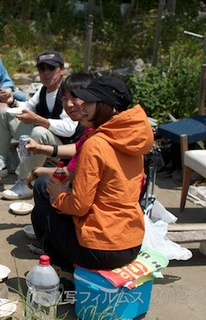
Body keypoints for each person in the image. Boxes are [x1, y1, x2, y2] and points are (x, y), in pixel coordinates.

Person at [45, 76, 154, 271]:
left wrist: (58, 196)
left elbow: (79, 206)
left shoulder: (96, 143)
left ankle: (66, 273)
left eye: (89, 102)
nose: (83, 107)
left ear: (108, 106)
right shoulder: (131, 138)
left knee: (44, 212)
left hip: (100, 250)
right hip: (132, 243)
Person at [0, 50, 83, 200]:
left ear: (62, 70)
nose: (46, 73)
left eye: (51, 68)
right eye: (42, 69)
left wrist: (38, 120)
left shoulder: (68, 93)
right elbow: (28, 107)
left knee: (39, 131)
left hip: (61, 147)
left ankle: (26, 182)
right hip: (43, 139)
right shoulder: (43, 90)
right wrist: (11, 101)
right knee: (6, 113)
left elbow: (70, 129)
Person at [26, 73, 93, 254]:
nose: (69, 104)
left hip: (95, 225)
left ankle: (56, 243)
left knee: (43, 185)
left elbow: (73, 171)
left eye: (74, 98)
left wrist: (39, 170)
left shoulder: (96, 133)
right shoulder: (89, 124)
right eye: (64, 99)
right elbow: (76, 149)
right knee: (46, 180)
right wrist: (43, 149)